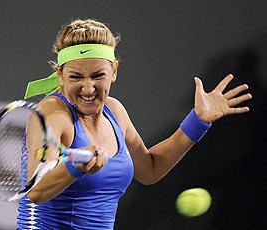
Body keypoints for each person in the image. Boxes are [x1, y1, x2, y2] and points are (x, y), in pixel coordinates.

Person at [17, 19, 252, 229]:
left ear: (114, 71)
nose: (88, 88)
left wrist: (198, 121)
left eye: (98, 75)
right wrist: (76, 167)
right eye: (76, 77)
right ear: (60, 75)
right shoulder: (52, 114)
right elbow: (37, 191)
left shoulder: (115, 111)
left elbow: (149, 169)